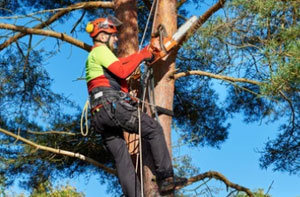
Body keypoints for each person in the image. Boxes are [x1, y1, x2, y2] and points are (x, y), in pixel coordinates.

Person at [85, 16, 187, 197]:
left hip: (99, 114)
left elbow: (121, 67)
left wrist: (145, 53)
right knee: (153, 129)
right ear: (102, 35)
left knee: (122, 160)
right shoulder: (100, 51)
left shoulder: (95, 57)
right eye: (113, 35)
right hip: (111, 106)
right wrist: (142, 55)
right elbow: (123, 71)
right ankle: (166, 179)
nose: (116, 39)